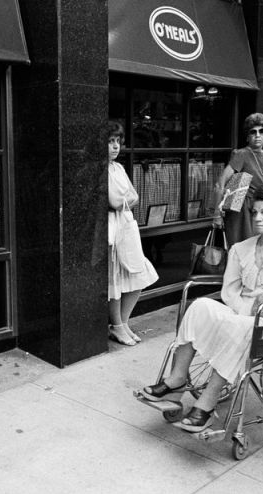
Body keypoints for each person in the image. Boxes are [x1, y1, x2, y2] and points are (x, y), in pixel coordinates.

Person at [141, 183, 263, 432]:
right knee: (200, 305)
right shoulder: (241, 249)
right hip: (243, 310)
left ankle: (207, 403)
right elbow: (230, 291)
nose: (257, 218)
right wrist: (246, 307)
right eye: (255, 212)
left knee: (240, 325)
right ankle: (178, 379)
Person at [107, 121, 158, 345]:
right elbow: (117, 200)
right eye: (110, 142)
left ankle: (123, 322)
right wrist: (125, 199)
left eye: (118, 142)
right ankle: (116, 325)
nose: (115, 146)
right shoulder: (101, 169)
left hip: (126, 225)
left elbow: (134, 196)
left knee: (138, 273)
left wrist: (125, 200)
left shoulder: (118, 168)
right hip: (111, 228)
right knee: (115, 278)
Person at [213, 113, 263, 245]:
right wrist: (217, 214)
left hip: (262, 207)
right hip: (242, 209)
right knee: (241, 248)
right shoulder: (242, 154)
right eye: (253, 132)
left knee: (259, 247)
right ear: (247, 137)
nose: (258, 135)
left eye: (262, 131)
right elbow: (221, 183)